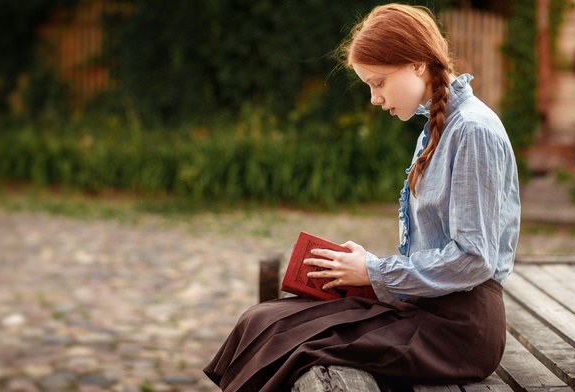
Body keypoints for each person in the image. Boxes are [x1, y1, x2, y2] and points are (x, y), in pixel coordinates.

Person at [203, 3, 521, 391]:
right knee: (265, 320)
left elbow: (474, 260)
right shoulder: (438, 128)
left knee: (299, 345)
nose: (374, 98)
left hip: (459, 333)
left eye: (379, 82)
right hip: (424, 308)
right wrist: (364, 271)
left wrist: (374, 271)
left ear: (417, 64)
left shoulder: (473, 132)